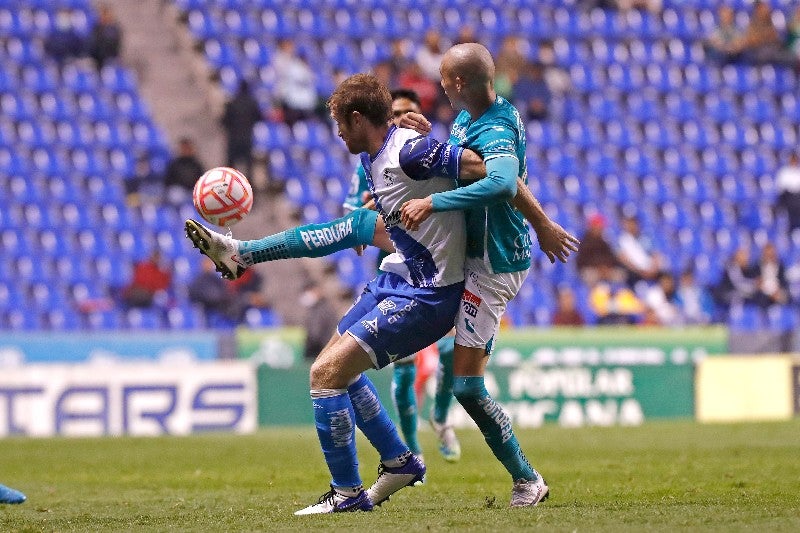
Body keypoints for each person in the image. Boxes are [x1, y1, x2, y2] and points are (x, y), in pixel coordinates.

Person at [185, 73, 493, 514]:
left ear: (356, 118)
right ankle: (399, 461)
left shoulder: (408, 150)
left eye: (339, 124)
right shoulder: (378, 153)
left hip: (429, 293)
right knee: (335, 360)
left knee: (325, 376)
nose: (337, 133)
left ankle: (347, 493)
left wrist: (445, 171)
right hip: (400, 273)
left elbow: (485, 169)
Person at [398, 43, 579, 507]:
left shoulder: (496, 124)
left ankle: (528, 479)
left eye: (443, 77)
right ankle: (440, 418)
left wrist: (431, 202)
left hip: (493, 262)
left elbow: (501, 182)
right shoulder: (470, 117)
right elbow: (472, 165)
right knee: (449, 355)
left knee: (468, 387)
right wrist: (428, 137)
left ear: (459, 83)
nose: (439, 84)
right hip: (471, 252)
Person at [343, 87, 459, 462]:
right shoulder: (368, 162)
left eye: (408, 112)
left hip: (439, 265)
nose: (401, 118)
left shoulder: (426, 151)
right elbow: (352, 214)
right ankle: (411, 448)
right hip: (397, 269)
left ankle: (440, 417)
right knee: (405, 370)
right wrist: (362, 217)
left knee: (450, 351)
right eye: (395, 113)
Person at [221, 80, 261, 181]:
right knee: (248, 166)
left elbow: (224, 121)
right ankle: (250, 188)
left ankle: (229, 186)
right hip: (247, 138)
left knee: (231, 166)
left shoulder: (232, 103)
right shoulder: (252, 104)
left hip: (234, 138)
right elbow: (259, 118)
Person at [272, 38, 319, 125]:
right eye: (289, 46)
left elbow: (308, 77)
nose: (291, 49)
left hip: (299, 100)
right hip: (285, 97)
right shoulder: (280, 59)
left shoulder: (296, 61)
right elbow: (283, 73)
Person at [616, 214, 663, 287]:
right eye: (629, 224)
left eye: (633, 224)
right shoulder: (622, 240)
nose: (631, 227)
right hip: (633, 273)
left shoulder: (647, 238)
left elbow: (656, 254)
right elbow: (623, 259)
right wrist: (640, 271)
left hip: (651, 270)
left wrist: (654, 269)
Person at [575, 213, 622, 286]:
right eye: (598, 227)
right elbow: (581, 261)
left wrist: (606, 268)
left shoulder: (604, 241)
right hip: (591, 270)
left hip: (606, 270)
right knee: (590, 275)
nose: (600, 229)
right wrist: (599, 268)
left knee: (619, 274)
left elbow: (611, 257)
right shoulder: (584, 242)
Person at [164, 137, 205, 206]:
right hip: (179, 191)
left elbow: (201, 181)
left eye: (187, 147)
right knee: (175, 195)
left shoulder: (196, 164)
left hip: (192, 190)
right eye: (183, 148)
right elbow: (168, 181)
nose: (185, 150)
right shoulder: (175, 163)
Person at [88, 3, 122, 72]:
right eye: (103, 14)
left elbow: (116, 46)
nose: (104, 17)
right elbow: (93, 45)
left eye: (106, 14)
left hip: (110, 58)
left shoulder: (115, 30)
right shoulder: (96, 29)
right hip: (97, 59)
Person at [776, 152, 800, 234]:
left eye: (795, 160)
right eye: (792, 160)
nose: (793, 162)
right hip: (788, 198)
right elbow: (781, 188)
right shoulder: (784, 172)